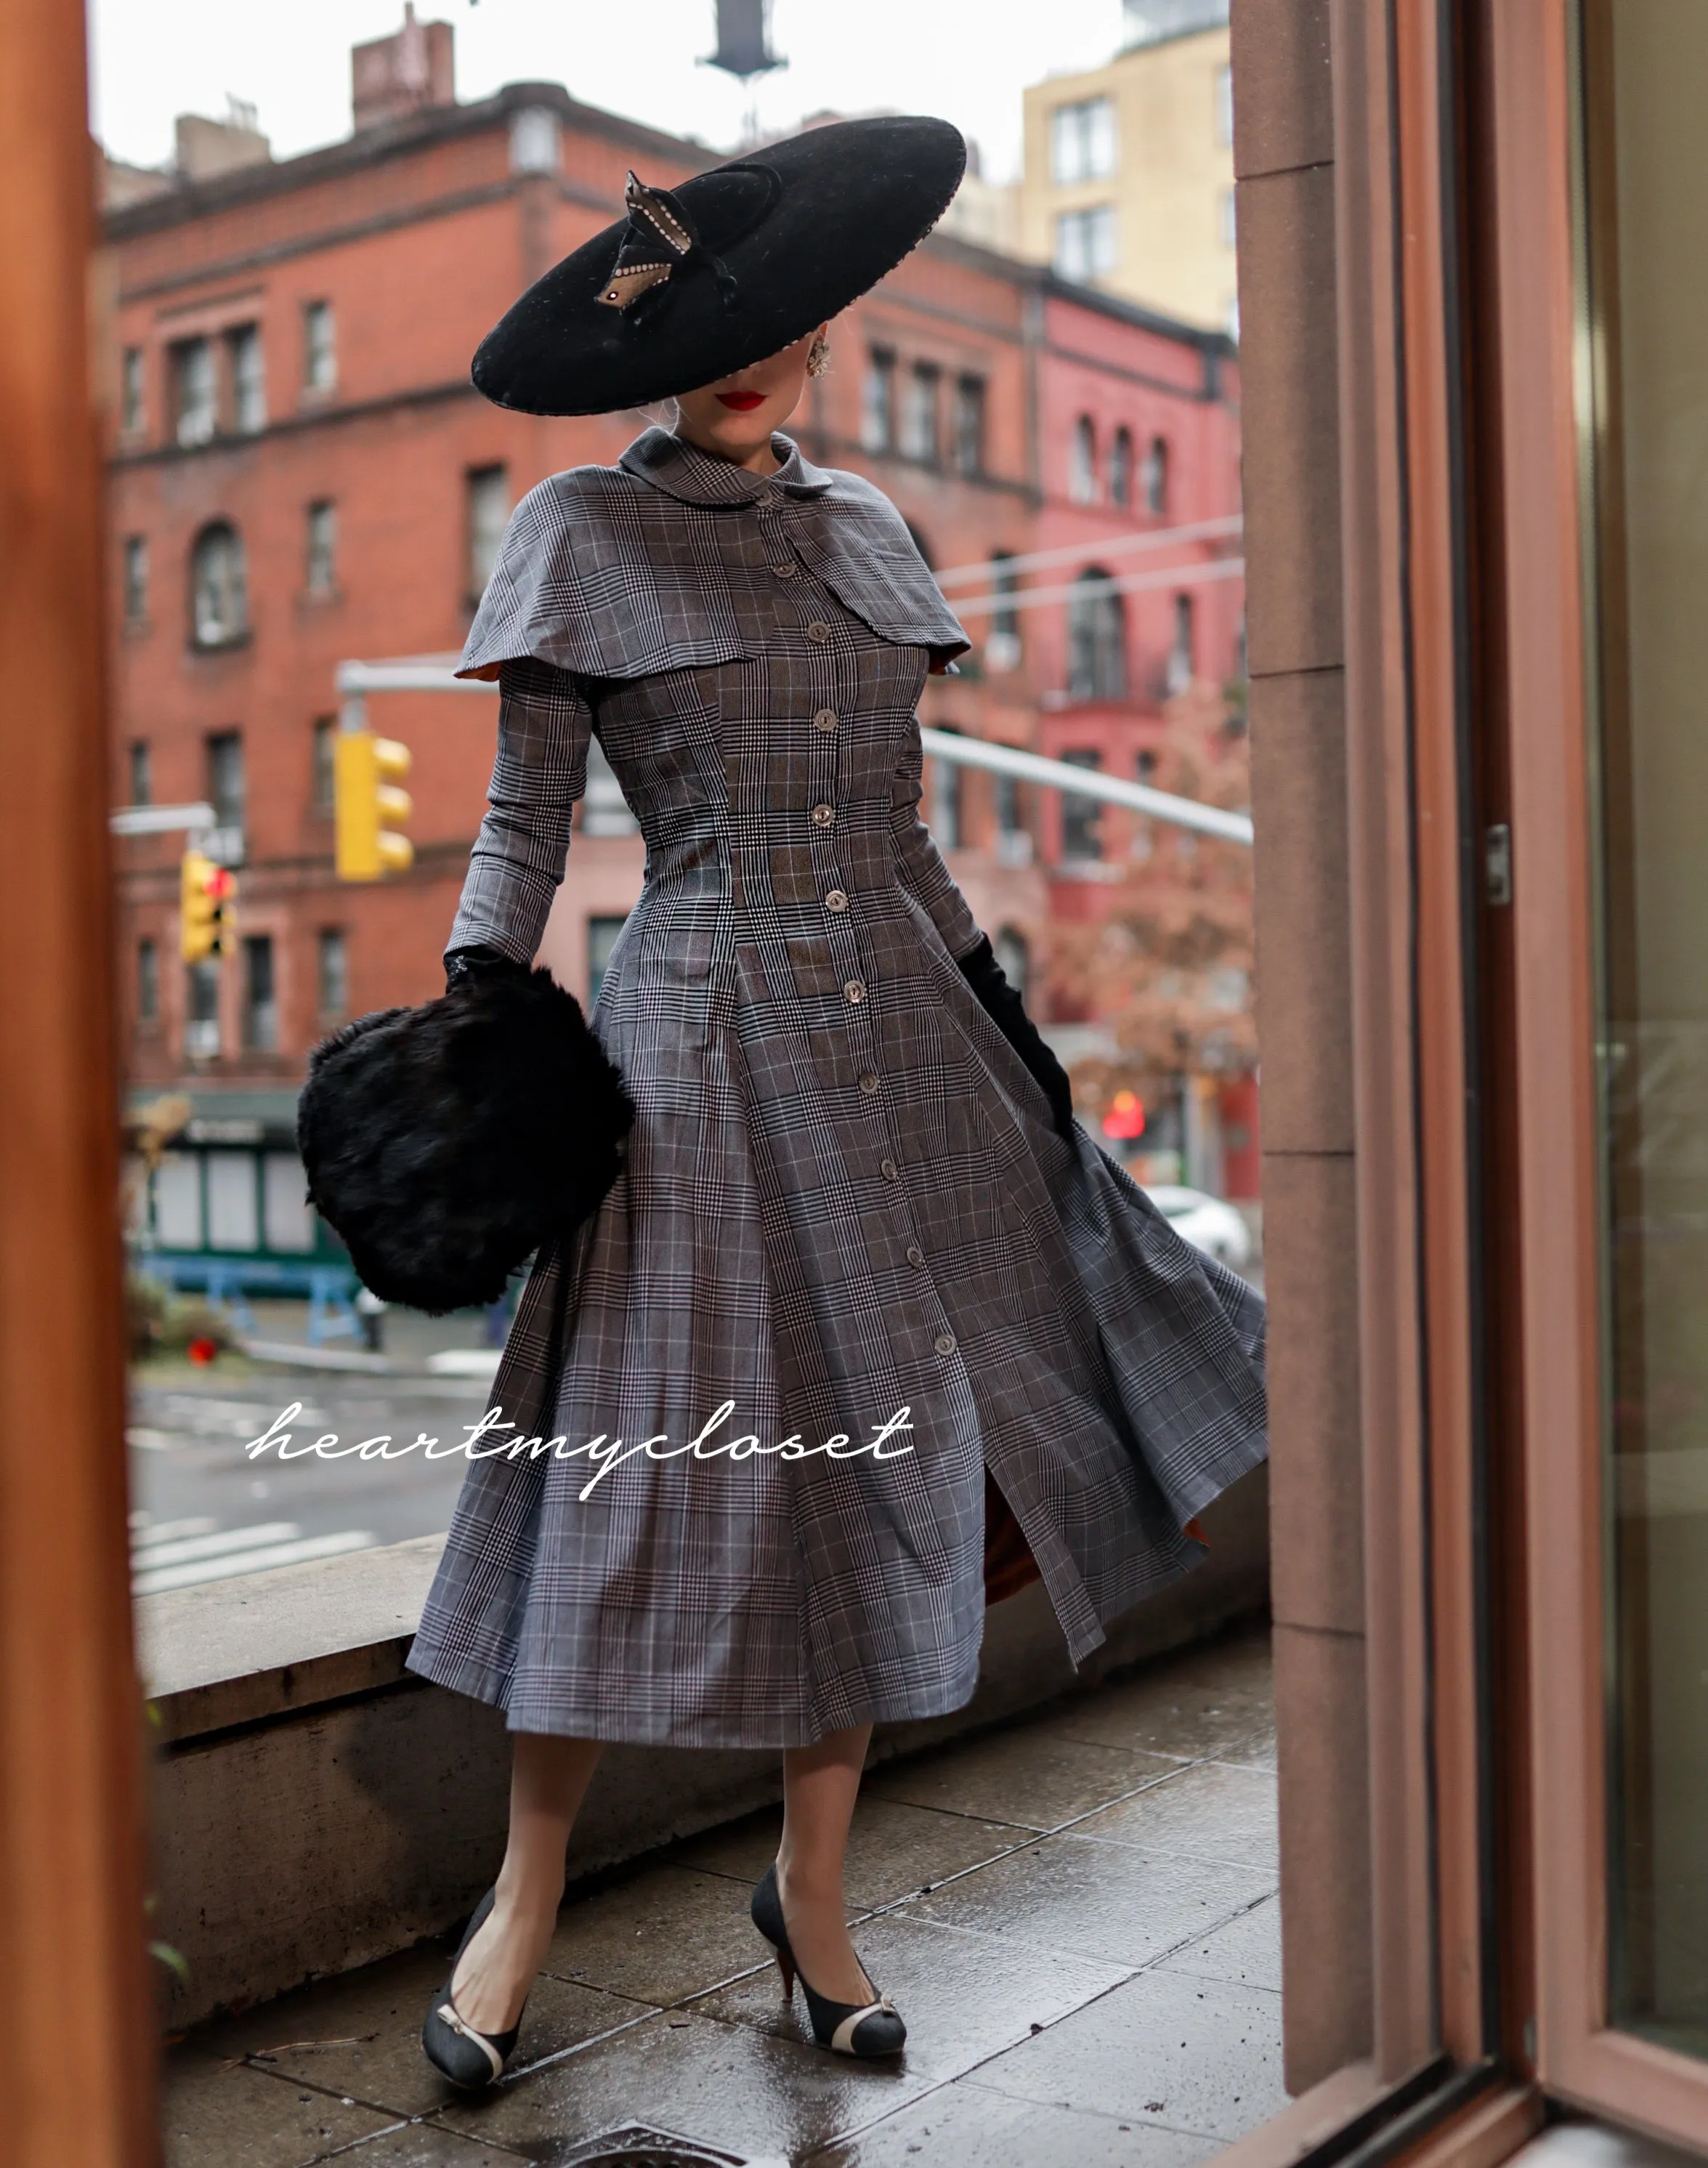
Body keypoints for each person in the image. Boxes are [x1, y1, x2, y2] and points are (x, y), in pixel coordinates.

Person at [401, 117, 1268, 2090]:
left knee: (894, 1467)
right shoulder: (576, 530)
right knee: (633, 1472)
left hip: (898, 1047)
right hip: (690, 1059)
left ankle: (813, 1901)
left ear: (829, 324)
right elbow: (524, 824)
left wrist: (1003, 1013)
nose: (755, 352)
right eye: (715, 327)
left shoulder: (874, 530)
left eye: (785, 319)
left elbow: (910, 835)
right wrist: (472, 999)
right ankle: (521, 1905)